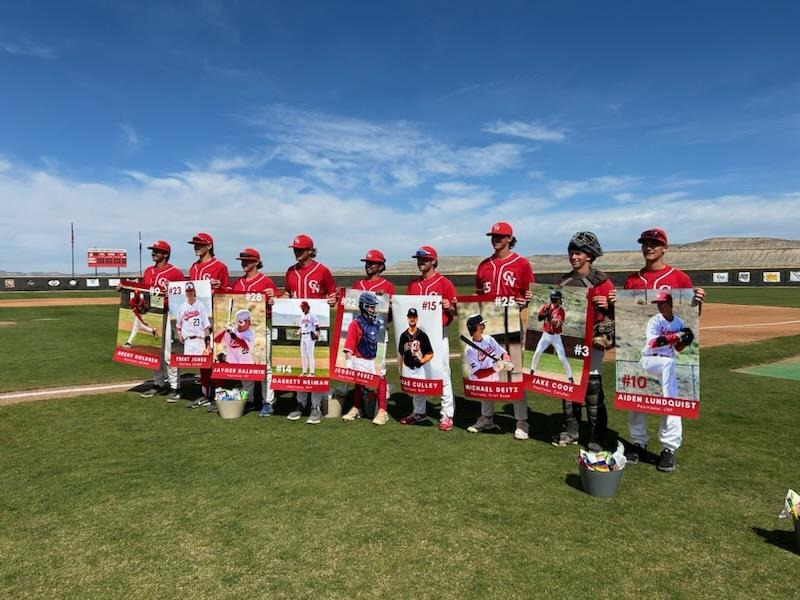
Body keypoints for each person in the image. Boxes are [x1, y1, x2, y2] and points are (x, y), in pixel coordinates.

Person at [622, 227, 705, 473]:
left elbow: (687, 332)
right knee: (636, 397)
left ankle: (669, 448)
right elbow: (652, 342)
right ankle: (637, 442)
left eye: (654, 243)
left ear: (664, 248)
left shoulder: (680, 279)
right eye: (645, 243)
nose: (649, 247)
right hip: (648, 359)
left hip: (667, 361)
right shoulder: (633, 281)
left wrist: (698, 303)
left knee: (670, 394)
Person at [469, 222, 533, 440]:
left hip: (512, 324)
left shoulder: (522, 264)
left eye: (500, 236)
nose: (496, 239)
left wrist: (525, 301)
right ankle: (487, 417)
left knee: (513, 372)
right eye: (493, 236)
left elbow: (531, 295)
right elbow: (478, 296)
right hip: (488, 324)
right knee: (487, 369)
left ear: (509, 238)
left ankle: (521, 421)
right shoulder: (483, 265)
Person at [551, 232, 614, 450]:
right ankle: (571, 431)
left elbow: (619, 312)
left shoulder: (603, 282)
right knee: (568, 386)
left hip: (593, 342)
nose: (573, 257)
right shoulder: (563, 282)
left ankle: (597, 436)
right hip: (569, 340)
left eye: (578, 253)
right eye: (571, 252)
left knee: (592, 388)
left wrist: (608, 304)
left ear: (589, 255)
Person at [401, 246, 457, 432]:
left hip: (438, 334)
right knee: (416, 370)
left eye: (424, 259)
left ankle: (447, 414)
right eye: (418, 259)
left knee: (443, 372)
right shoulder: (413, 285)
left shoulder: (444, 283)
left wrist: (450, 307)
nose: (420, 262)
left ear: (433, 261)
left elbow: (456, 312)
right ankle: (419, 411)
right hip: (417, 335)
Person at [283, 234, 337, 425]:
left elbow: (332, 296)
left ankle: (315, 406)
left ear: (310, 251)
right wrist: (277, 300)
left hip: (315, 328)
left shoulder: (322, 271)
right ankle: (300, 404)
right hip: (299, 326)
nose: (296, 252)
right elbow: (287, 294)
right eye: (295, 249)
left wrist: (331, 301)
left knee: (316, 365)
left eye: (300, 250)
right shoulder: (290, 271)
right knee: (300, 363)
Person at [341, 249, 395, 426]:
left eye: (372, 263)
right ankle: (357, 407)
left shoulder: (387, 286)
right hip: (359, 333)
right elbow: (350, 307)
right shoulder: (358, 284)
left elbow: (390, 317)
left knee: (379, 371)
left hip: (377, 334)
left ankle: (382, 410)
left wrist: (386, 303)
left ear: (381, 266)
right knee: (358, 371)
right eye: (367, 263)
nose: (368, 265)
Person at [231, 247, 280, 417]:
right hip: (242, 331)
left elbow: (279, 303)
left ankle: (268, 401)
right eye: (242, 260)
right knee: (245, 366)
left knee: (265, 366)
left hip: (260, 328)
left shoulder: (266, 281)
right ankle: (250, 400)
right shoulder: (238, 283)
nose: (244, 263)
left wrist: (274, 298)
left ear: (256, 262)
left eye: (247, 260)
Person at [137, 239, 185, 402]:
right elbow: (144, 293)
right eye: (153, 250)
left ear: (165, 254)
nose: (153, 253)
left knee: (169, 353)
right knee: (154, 351)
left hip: (168, 314)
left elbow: (182, 297)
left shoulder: (175, 273)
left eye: (157, 251)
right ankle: (158, 384)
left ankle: (175, 387)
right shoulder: (148, 271)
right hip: (152, 315)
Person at [187, 232, 230, 409]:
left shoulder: (220, 266)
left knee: (216, 356)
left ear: (209, 246)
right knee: (202, 356)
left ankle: (219, 394)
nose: (196, 247)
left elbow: (228, 292)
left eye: (199, 244)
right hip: (198, 318)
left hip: (215, 317)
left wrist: (219, 287)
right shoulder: (193, 267)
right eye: (194, 244)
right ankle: (205, 394)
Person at [176, 281, 211, 408]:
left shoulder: (200, 306)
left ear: (194, 291)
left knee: (204, 368)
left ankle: (206, 395)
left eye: (191, 291)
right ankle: (177, 389)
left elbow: (206, 326)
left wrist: (208, 344)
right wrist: (179, 334)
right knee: (183, 364)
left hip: (199, 340)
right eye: (188, 291)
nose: (189, 293)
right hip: (188, 342)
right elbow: (178, 325)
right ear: (185, 293)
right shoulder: (182, 307)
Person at [529, 290, 574, 382]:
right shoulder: (546, 307)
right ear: (554, 299)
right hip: (545, 336)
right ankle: (531, 372)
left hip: (556, 338)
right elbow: (539, 318)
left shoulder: (561, 311)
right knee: (537, 352)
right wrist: (544, 315)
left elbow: (557, 324)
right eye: (559, 299)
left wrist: (549, 318)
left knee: (562, 358)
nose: (560, 300)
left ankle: (570, 378)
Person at [464, 314, 514, 381]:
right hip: (480, 384)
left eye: (483, 325)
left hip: (494, 381)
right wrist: (496, 368)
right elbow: (478, 373)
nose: (482, 327)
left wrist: (506, 362)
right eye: (480, 325)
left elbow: (503, 353)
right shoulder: (469, 350)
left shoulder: (489, 339)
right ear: (473, 328)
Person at [397, 308, 434, 378]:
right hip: (406, 370)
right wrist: (401, 372)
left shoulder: (422, 335)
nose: (412, 319)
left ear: (417, 319)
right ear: (407, 318)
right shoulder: (403, 336)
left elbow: (430, 353)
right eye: (410, 317)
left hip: (419, 371)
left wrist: (423, 360)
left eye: (414, 317)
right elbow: (401, 355)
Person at [297, 300, 320, 376]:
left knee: (310, 354)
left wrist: (317, 334)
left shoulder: (312, 315)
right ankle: (304, 372)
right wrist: (298, 332)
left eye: (303, 307)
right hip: (303, 336)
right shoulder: (302, 315)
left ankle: (312, 373)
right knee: (303, 355)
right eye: (301, 307)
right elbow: (301, 326)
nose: (302, 308)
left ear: (307, 307)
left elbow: (317, 325)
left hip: (309, 336)